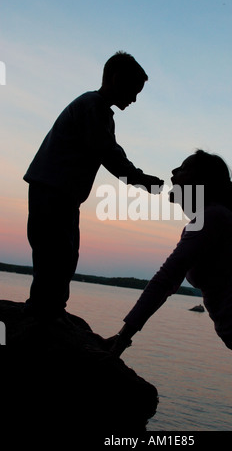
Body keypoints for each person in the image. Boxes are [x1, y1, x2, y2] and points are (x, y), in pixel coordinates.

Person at [109, 149, 232, 431]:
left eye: (183, 168)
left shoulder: (213, 218)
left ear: (201, 182)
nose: (173, 172)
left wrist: (122, 339)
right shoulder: (204, 220)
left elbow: (166, 279)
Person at [23, 51, 164, 320]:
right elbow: (108, 152)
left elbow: (110, 149)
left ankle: (50, 309)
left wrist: (139, 178)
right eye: (133, 90)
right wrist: (141, 179)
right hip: (52, 190)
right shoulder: (93, 106)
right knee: (54, 253)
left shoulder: (98, 110)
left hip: (60, 193)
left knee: (63, 254)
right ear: (116, 78)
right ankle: (43, 312)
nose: (134, 99)